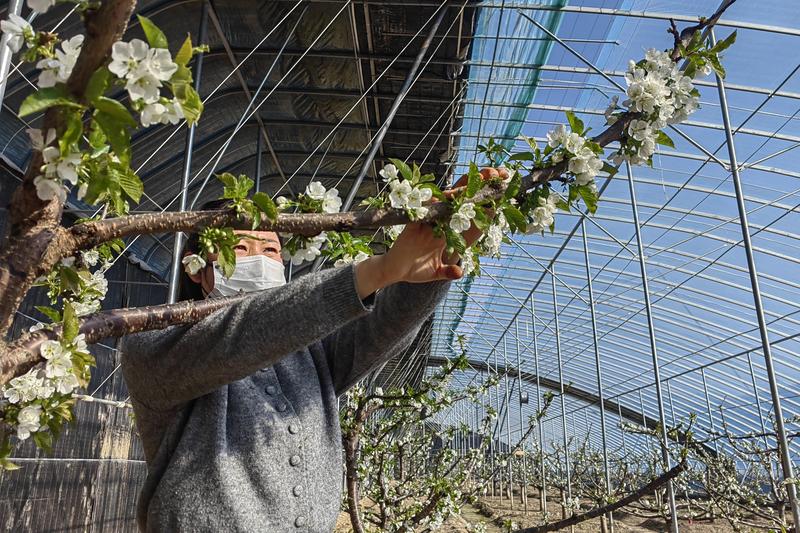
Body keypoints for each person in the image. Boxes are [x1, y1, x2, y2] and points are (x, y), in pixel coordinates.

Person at [120, 172, 498, 531]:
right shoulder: (156, 344)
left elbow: (383, 328)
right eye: (238, 248)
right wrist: (380, 269)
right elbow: (245, 332)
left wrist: (443, 251)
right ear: (195, 267)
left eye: (271, 249)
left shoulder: (308, 353)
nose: (258, 260)